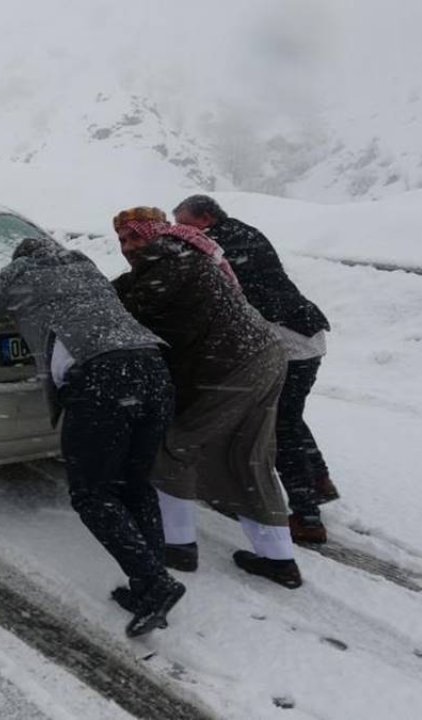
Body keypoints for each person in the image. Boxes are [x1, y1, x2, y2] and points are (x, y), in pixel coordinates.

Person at [0, 236, 184, 636]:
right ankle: (147, 583)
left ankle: (155, 582)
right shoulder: (89, 271)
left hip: (101, 378)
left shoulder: (19, 278)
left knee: (91, 493)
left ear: (18, 262)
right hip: (153, 367)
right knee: (136, 485)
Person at [111, 207, 302, 589]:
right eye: (122, 240)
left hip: (232, 367)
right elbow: (129, 292)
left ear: (157, 232)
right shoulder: (181, 258)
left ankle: (177, 545)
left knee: (172, 447)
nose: (129, 247)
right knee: (248, 456)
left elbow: (129, 312)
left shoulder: (167, 265)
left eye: (135, 236)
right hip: (262, 355)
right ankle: (279, 559)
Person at [173, 195, 338, 544]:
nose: (178, 230)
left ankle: (308, 517)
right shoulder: (242, 233)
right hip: (305, 328)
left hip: (286, 336)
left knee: (280, 425)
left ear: (204, 218)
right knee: (290, 414)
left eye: (182, 221)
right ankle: (319, 479)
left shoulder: (217, 244)